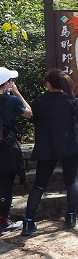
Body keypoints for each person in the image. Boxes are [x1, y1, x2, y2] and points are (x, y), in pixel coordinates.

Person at [21, 68, 78, 236]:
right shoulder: (72, 101)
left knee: (39, 184)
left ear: (49, 83)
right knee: (71, 180)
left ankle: (28, 222)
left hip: (46, 147)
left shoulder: (40, 101)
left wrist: (16, 93)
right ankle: (71, 217)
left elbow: (29, 113)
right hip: (70, 146)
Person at [0, 67, 32, 233]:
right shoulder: (11, 100)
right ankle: (3, 221)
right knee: (5, 184)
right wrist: (17, 93)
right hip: (7, 148)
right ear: (6, 83)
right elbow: (28, 113)